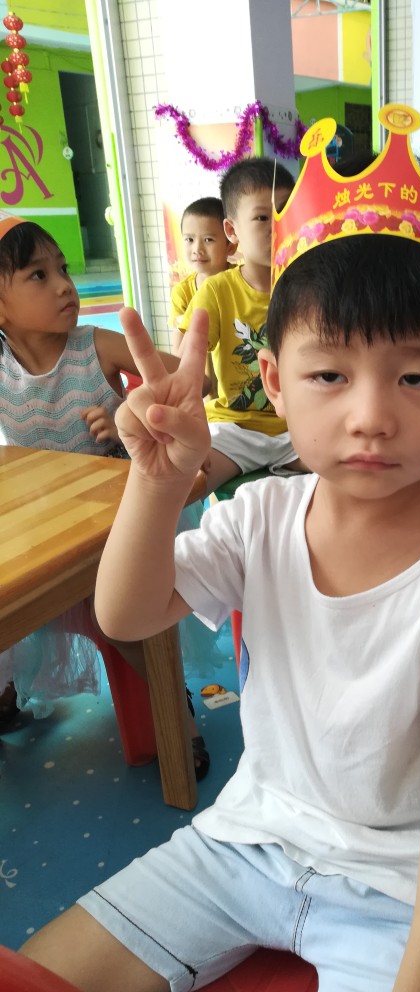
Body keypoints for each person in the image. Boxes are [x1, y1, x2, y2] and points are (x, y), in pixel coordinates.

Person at [20, 110, 420, 992]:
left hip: (401, 885)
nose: (370, 416)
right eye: (329, 375)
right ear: (275, 383)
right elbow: (126, 615)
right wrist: (158, 482)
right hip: (246, 842)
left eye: (415, 376)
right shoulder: (258, 516)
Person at [0, 214, 213, 778]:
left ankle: (178, 717)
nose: (64, 285)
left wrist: (133, 409)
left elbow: (195, 383)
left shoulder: (95, 346)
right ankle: (7, 694)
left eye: (62, 269)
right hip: (43, 527)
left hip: (120, 525)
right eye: (39, 275)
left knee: (123, 627)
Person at [177, 158, 303, 492]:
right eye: (262, 217)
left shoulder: (311, 288)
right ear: (232, 231)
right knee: (183, 483)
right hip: (235, 430)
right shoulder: (217, 291)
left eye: (284, 212)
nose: (277, 225)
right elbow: (185, 365)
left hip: (299, 429)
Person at [169, 196, 234, 352]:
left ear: (230, 246)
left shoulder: (241, 281)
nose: (197, 249)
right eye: (189, 239)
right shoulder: (182, 293)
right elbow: (178, 353)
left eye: (208, 240)